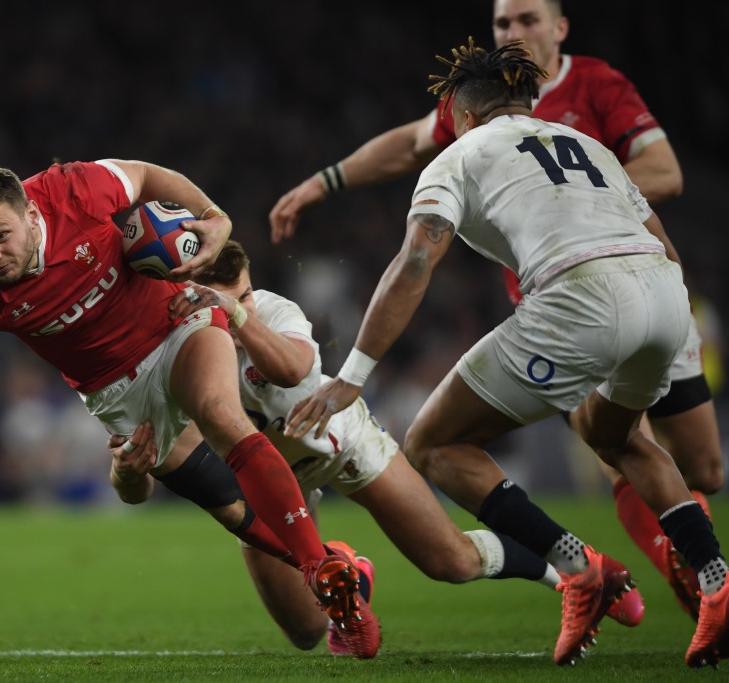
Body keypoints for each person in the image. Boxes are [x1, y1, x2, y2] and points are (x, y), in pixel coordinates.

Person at [269, 0, 720, 623]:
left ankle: (576, 565)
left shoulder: (459, 153)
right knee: (617, 438)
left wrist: (352, 376)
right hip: (666, 296)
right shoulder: (588, 146)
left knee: (434, 443)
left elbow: (416, 262)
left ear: (462, 113)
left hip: (577, 302)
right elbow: (663, 240)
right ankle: (717, 581)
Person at [0, 159, 380, 659]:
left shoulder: (74, 190)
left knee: (219, 412)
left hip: (175, 322)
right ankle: (341, 568)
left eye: (2, 236)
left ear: (29, 213)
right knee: (227, 507)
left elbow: (147, 175)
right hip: (115, 392)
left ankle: (320, 570)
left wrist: (214, 215)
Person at [107, 240, 638, 657]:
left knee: (450, 561)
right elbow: (139, 489)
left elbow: (292, 368)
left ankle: (570, 573)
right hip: (271, 488)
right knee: (307, 631)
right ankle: (353, 572)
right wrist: (128, 472)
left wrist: (237, 316)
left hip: (343, 444)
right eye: (222, 297)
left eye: (243, 293)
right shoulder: (167, 355)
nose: (239, 305)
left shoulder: (272, 311)